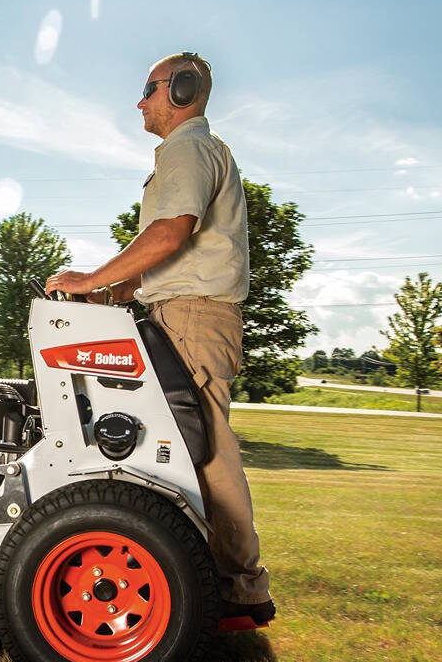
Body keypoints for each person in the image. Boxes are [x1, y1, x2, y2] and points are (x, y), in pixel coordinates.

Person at [45, 51, 274, 625]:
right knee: (171, 446)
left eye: (147, 89)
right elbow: (162, 261)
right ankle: (197, 576)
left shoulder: (189, 149)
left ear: (181, 90)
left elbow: (171, 234)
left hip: (194, 318)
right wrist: (107, 297)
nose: (138, 102)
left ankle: (240, 590)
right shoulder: (189, 153)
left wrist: (92, 276)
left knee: (209, 450)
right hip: (176, 309)